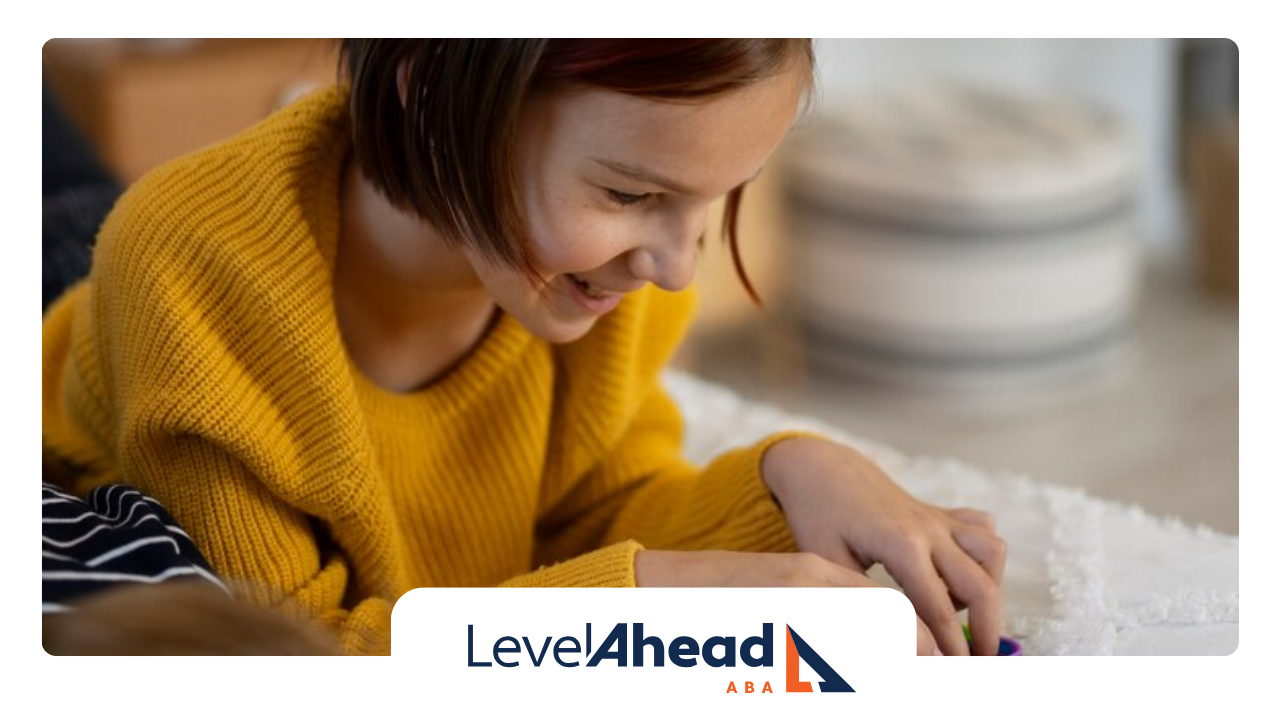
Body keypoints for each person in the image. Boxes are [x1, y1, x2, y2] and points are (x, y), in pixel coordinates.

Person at [41, 39, 1006, 656]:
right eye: (632, 196)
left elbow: (592, 506)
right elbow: (293, 656)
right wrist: (645, 600)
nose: (677, 268)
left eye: (716, 196)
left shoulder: (607, 283)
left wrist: (794, 475)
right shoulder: (192, 272)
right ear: (430, 98)